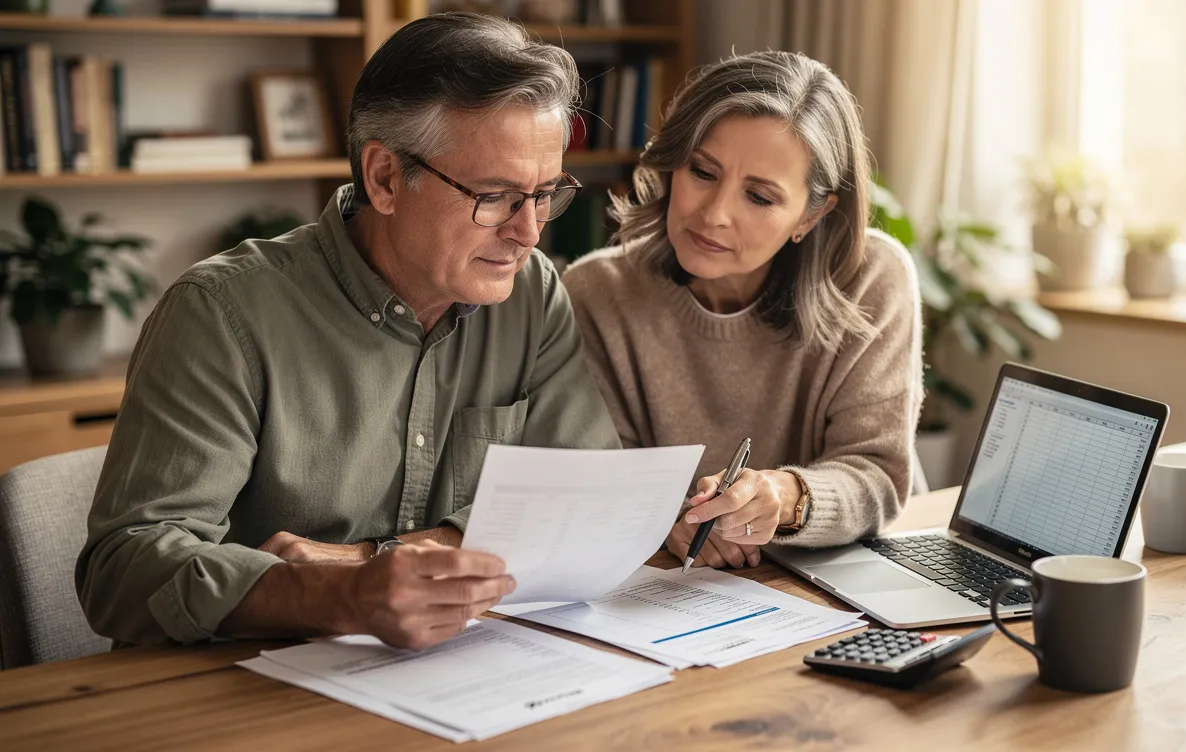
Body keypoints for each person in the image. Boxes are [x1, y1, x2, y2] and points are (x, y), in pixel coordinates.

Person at [76, 13, 619, 650]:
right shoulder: (221, 313)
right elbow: (122, 571)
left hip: (461, 672)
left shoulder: (531, 293)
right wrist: (336, 598)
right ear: (385, 177)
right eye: (496, 196)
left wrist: (373, 558)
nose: (529, 233)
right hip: (242, 694)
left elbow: (588, 497)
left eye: (546, 194)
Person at [563, 51, 923, 570]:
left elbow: (877, 474)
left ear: (812, 214)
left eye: (759, 197)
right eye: (703, 171)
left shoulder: (873, 279)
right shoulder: (597, 294)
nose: (714, 214)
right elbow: (605, 478)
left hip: (836, 575)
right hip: (675, 587)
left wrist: (788, 496)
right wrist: (669, 517)